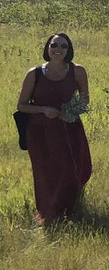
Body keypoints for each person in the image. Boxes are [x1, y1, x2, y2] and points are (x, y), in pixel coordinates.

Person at [15, 33, 92, 225]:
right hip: (41, 131)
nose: (58, 49)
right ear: (47, 48)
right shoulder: (34, 73)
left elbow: (84, 99)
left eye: (63, 46)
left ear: (69, 50)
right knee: (46, 172)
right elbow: (22, 106)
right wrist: (43, 109)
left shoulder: (78, 71)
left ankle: (69, 211)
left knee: (72, 169)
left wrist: (70, 112)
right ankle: (50, 213)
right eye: (54, 45)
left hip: (69, 128)